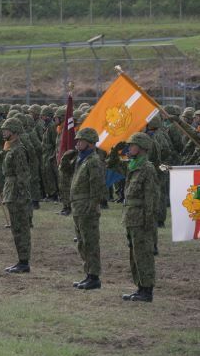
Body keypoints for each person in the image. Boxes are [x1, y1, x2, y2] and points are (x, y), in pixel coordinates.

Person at [108, 133, 158, 303]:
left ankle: (147, 290)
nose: (129, 148)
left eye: (132, 145)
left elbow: (151, 198)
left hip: (141, 219)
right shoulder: (132, 165)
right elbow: (112, 165)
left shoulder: (147, 168)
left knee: (144, 254)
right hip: (131, 217)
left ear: (142, 148)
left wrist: (149, 222)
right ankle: (140, 287)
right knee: (135, 254)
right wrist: (116, 150)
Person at [60, 127, 106, 290]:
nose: (77, 143)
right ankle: (88, 274)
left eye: (81, 140)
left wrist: (91, 207)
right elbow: (64, 172)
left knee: (90, 242)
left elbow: (97, 188)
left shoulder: (93, 161)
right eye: (77, 140)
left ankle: (94, 277)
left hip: (87, 208)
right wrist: (66, 157)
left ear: (91, 143)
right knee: (82, 243)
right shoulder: (81, 159)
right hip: (78, 207)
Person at [0, 118, 32, 274]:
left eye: (6, 130)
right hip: (11, 191)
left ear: (13, 131)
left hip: (17, 194)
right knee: (16, 227)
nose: (3, 132)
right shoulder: (11, 148)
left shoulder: (18, 150)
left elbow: (23, 175)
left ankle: (24, 262)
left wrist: (21, 194)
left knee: (21, 228)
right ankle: (21, 260)